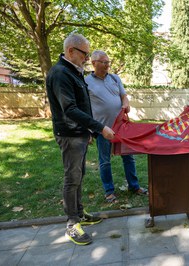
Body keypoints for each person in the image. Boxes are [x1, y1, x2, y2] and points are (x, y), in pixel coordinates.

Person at [46, 34, 115, 245]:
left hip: (80, 134)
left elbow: (82, 105)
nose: (87, 58)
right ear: (71, 51)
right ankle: (71, 223)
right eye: (84, 53)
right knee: (71, 178)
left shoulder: (73, 72)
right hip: (69, 135)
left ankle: (80, 213)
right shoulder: (60, 74)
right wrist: (99, 128)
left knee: (79, 175)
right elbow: (70, 109)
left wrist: (89, 132)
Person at [85, 50, 147, 203]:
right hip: (102, 128)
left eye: (108, 62)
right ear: (94, 63)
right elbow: (84, 107)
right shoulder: (86, 82)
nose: (107, 65)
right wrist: (87, 130)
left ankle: (134, 186)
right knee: (105, 160)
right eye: (104, 62)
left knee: (129, 157)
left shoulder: (115, 78)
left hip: (121, 127)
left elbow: (123, 96)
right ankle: (109, 192)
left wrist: (126, 103)